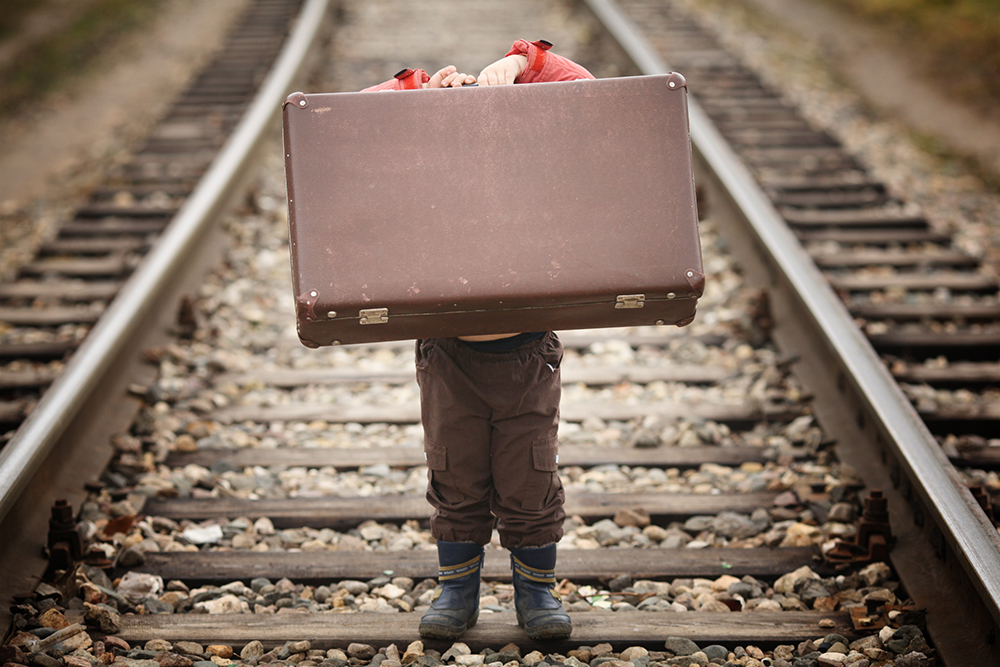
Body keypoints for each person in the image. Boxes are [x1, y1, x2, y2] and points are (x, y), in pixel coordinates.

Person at [362, 40, 595, 641]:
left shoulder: (532, 165)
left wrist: (523, 64)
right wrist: (419, 92)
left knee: (530, 479)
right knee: (456, 476)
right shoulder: (425, 166)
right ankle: (457, 592)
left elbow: (589, 94)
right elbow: (350, 121)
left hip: (525, 354)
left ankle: (535, 596)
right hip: (449, 357)